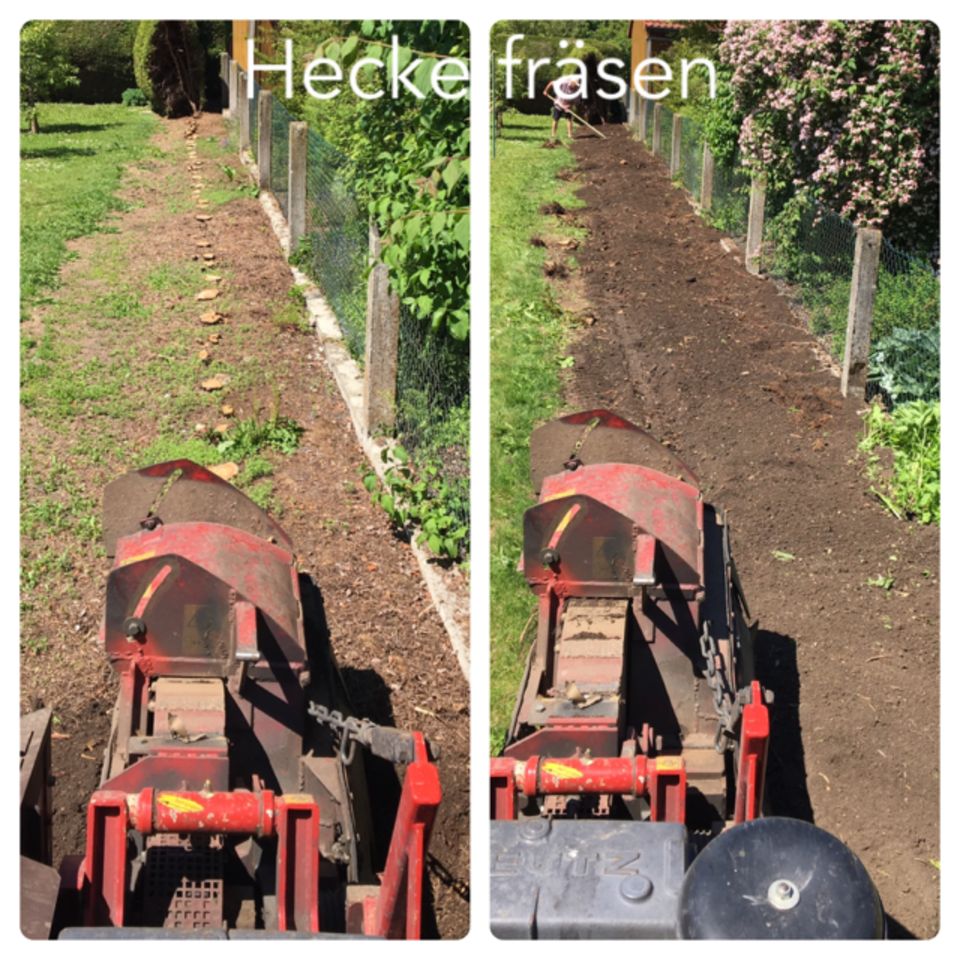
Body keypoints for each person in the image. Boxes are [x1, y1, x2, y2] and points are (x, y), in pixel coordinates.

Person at [543, 75, 582, 141]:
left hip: (568, 106)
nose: (575, 86)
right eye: (574, 84)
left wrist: (570, 107)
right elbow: (552, 83)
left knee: (569, 119)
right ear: (571, 82)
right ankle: (553, 135)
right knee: (556, 119)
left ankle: (570, 135)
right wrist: (545, 91)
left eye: (576, 85)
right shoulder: (563, 83)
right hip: (559, 103)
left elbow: (576, 101)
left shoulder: (576, 90)